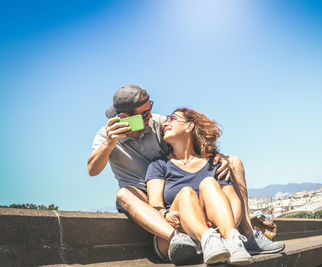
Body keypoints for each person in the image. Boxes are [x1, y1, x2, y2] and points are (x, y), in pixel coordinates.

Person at [87, 84, 284, 263]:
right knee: (124, 194)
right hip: (144, 194)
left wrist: (219, 156)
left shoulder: (158, 123)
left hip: (173, 187)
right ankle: (179, 239)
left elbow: (190, 137)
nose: (151, 116)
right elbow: (92, 170)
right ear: (124, 117)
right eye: (144, 114)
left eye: (150, 109)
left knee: (233, 162)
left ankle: (246, 235)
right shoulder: (106, 135)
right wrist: (109, 144)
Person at [146, 108, 252, 265]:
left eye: (173, 118)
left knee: (209, 183)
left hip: (218, 236)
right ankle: (207, 239)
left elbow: (233, 201)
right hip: (178, 237)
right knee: (186, 193)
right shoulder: (159, 164)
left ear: (189, 126)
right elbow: (154, 204)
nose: (166, 123)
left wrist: (228, 228)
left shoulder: (214, 164)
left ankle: (231, 240)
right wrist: (164, 214)